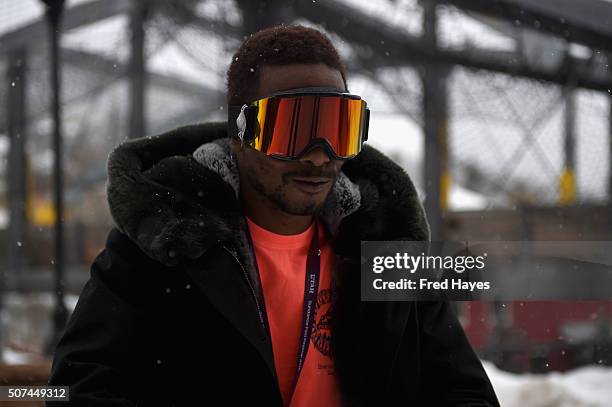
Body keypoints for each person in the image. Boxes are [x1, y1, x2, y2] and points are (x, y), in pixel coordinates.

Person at [47, 25, 499, 406]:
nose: (320, 158)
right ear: (241, 135)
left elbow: (463, 393)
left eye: (338, 131)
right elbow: (79, 386)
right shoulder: (162, 245)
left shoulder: (388, 248)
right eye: (295, 130)